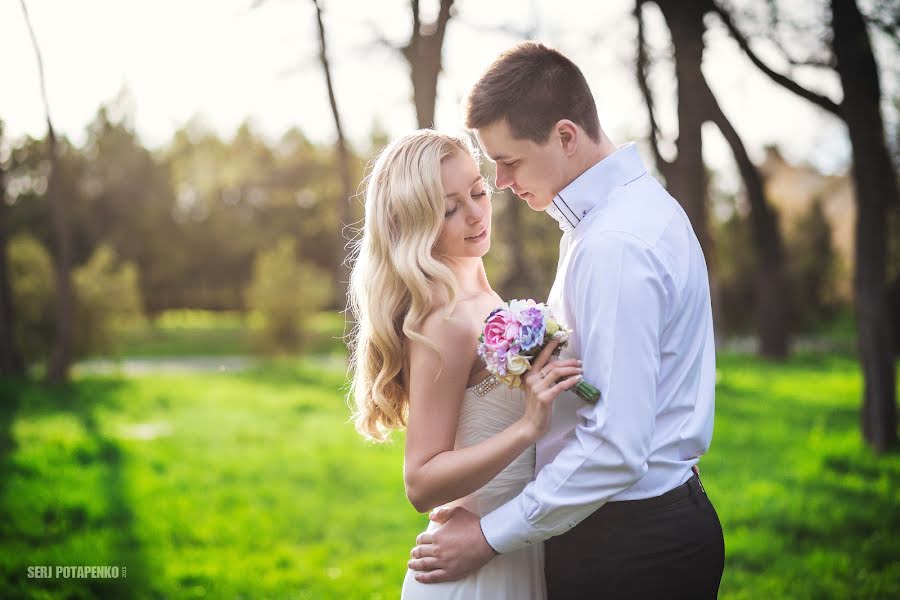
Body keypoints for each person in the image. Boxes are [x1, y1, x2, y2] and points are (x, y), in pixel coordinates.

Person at [408, 42, 725, 599]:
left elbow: (614, 446)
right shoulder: (620, 216)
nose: (500, 183)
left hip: (629, 546)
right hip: (628, 529)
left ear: (565, 137)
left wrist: (488, 537)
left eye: (508, 162)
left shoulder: (614, 244)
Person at [346, 129, 583, 599]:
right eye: (449, 208)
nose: (476, 214)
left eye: (477, 191)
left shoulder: (484, 298)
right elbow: (420, 481)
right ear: (417, 223)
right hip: (475, 572)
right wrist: (527, 428)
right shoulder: (446, 321)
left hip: (513, 545)